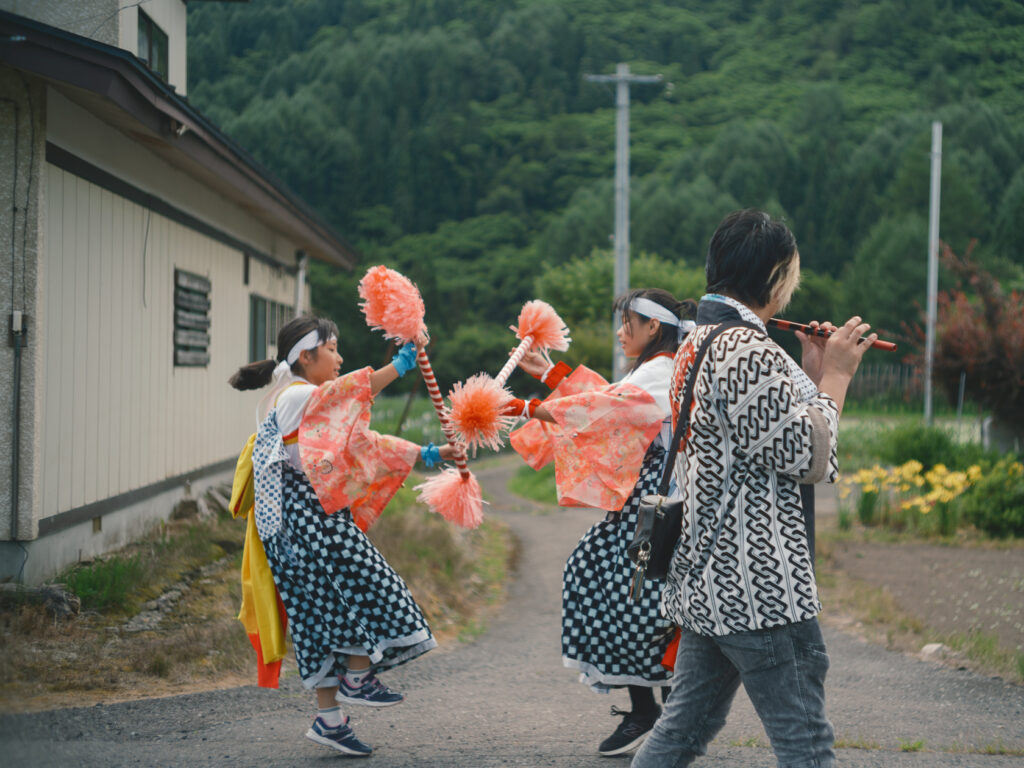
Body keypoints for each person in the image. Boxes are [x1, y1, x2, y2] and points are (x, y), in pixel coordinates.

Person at [631, 209, 875, 768]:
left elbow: (758, 438)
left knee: (680, 734)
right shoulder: (747, 349)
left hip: (708, 580)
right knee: (806, 743)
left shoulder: (701, 339)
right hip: (760, 583)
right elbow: (806, 457)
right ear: (777, 277)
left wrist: (812, 373)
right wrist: (836, 377)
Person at [229, 316, 460, 757]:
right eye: (333, 349)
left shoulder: (299, 399)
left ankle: (329, 720)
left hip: (295, 528)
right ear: (305, 356)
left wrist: (425, 452)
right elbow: (348, 396)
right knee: (371, 589)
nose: (340, 358)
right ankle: (357, 677)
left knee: (320, 620)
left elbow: (363, 442)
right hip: (309, 525)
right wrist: (398, 367)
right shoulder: (299, 395)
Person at [508, 288, 696, 756]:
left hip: (662, 502)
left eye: (627, 323)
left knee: (643, 602)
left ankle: (665, 714)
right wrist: (550, 374)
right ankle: (653, 711)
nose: (619, 332)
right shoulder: (657, 368)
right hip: (646, 500)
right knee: (612, 584)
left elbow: (601, 408)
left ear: (653, 327)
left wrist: (525, 407)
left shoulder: (661, 370)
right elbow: (608, 399)